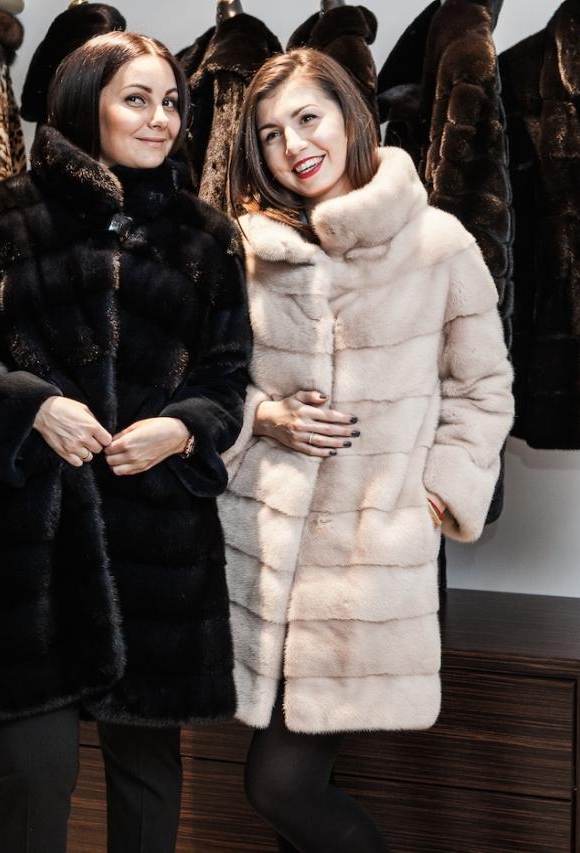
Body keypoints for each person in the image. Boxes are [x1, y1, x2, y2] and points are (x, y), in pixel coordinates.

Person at [0, 32, 252, 852]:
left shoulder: (206, 236)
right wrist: (32, 406)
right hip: (33, 546)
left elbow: (226, 377)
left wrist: (181, 428)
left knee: (147, 782)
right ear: (81, 101)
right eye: (136, 99)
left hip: (159, 546)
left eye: (171, 102)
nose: (161, 119)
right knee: (32, 779)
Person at [220, 49, 513, 852]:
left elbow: (482, 389)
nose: (292, 145)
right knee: (289, 799)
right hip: (264, 555)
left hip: (370, 556)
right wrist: (262, 417)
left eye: (306, 118)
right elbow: (205, 382)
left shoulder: (438, 244)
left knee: (280, 784)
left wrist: (431, 499)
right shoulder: (248, 249)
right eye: (270, 133)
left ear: (349, 116)